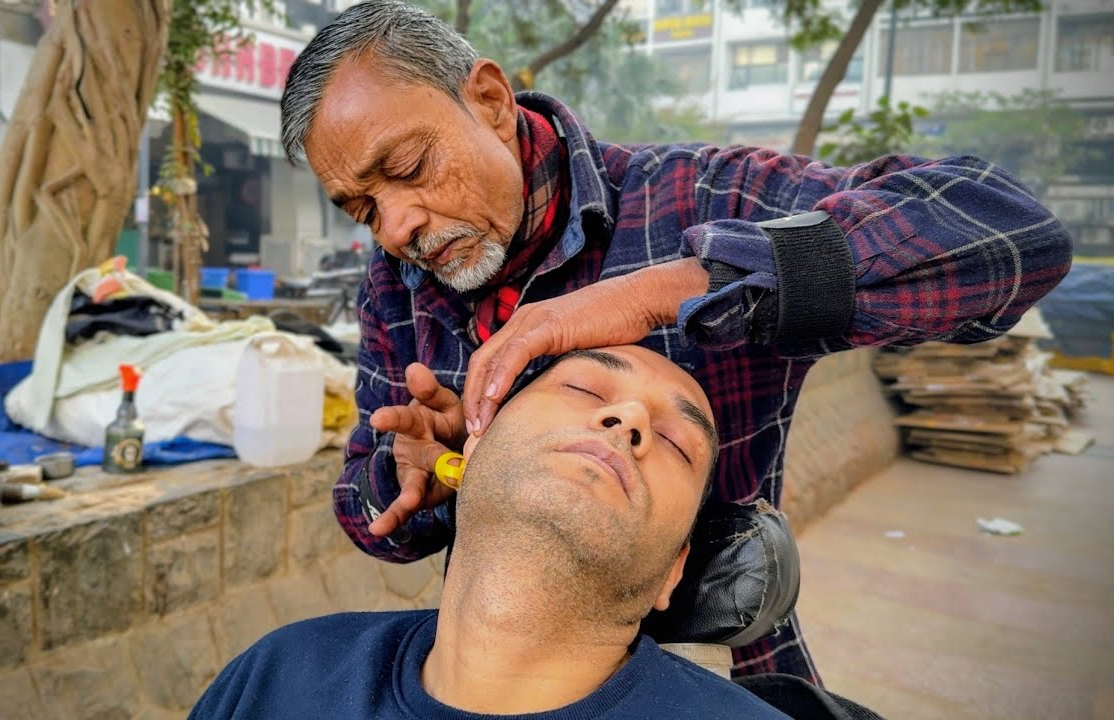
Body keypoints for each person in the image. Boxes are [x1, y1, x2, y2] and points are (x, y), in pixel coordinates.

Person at [277, 0, 1073, 682]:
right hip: (498, 668)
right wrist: (421, 477)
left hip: (712, 668)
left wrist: (665, 291)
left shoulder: (704, 196)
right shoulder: (396, 285)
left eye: (409, 166)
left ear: (488, 98)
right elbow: (360, 506)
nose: (398, 226)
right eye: (363, 208)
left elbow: (1013, 234)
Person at [192, 346, 805, 719]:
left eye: (676, 442)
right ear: (469, 453)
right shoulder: (277, 675)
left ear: (675, 568)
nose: (628, 418)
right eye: (583, 388)